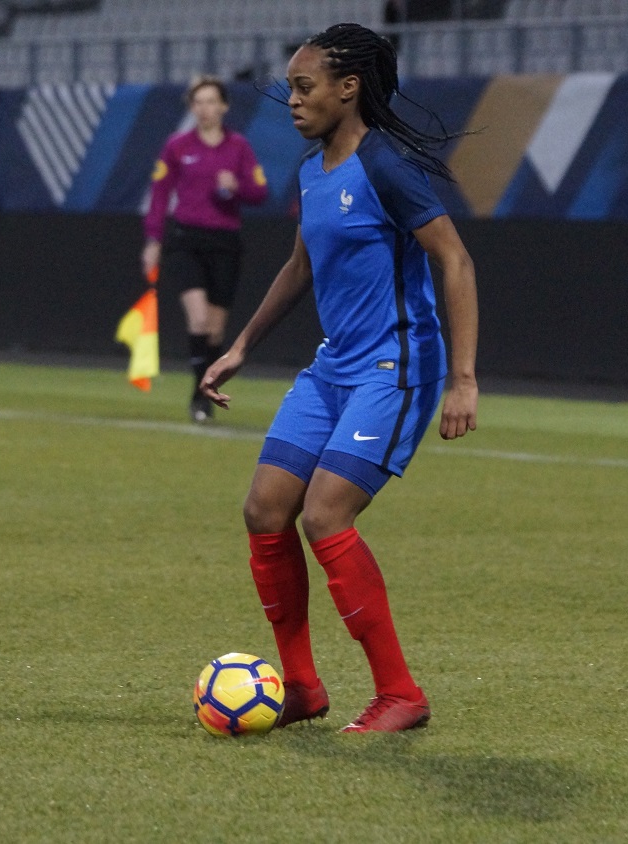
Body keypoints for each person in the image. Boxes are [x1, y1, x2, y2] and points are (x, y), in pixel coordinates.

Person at [199, 23, 479, 733]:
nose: (291, 101)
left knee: (325, 515)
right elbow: (300, 268)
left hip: (397, 366)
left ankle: (401, 695)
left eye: (303, 86)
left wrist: (464, 378)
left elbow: (455, 261)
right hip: (335, 368)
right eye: (290, 87)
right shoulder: (313, 171)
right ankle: (302, 688)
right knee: (265, 509)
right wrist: (241, 346)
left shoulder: (386, 166)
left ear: (348, 88)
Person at [142, 76, 269, 422]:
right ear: (192, 107)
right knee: (197, 319)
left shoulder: (238, 147)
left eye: (211, 101)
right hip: (186, 240)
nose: (205, 108)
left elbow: (259, 192)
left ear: (224, 106)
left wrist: (237, 186)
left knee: (215, 329)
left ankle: (205, 390)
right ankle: (199, 395)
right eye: (198, 102)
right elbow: (159, 193)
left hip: (224, 243)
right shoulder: (178, 146)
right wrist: (154, 239)